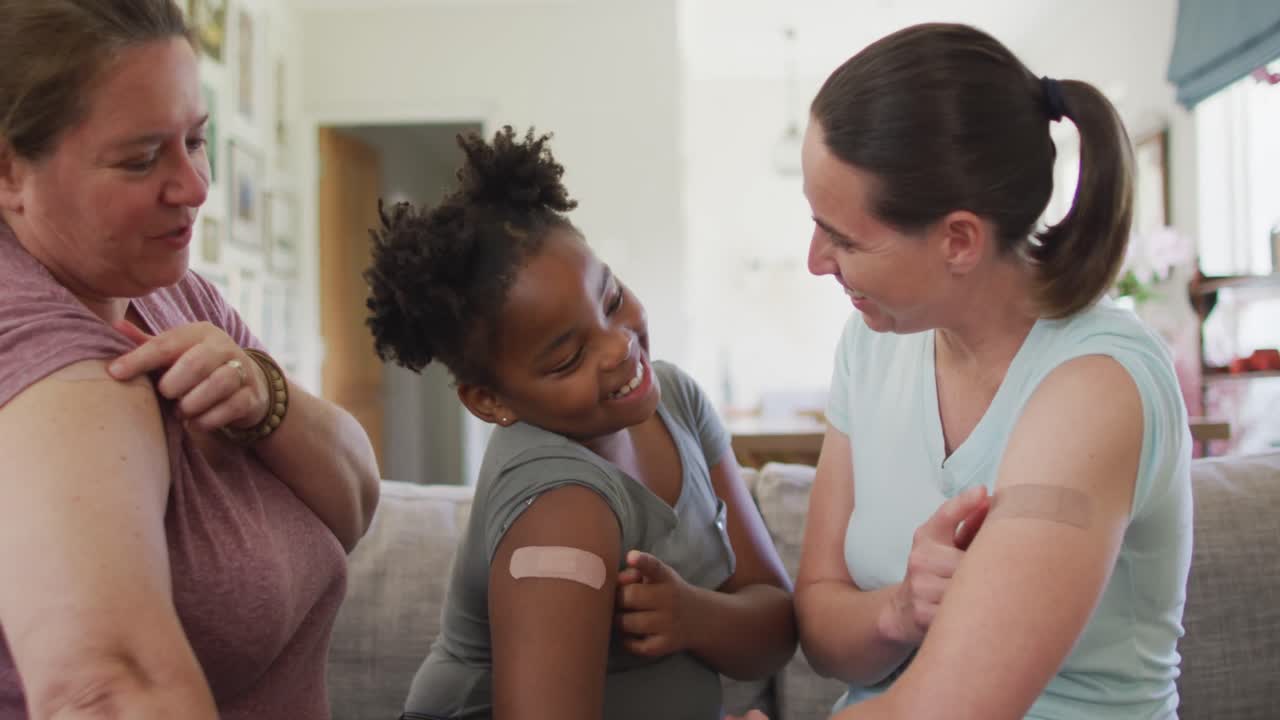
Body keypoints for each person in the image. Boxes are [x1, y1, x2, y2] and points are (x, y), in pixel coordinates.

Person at [792, 23, 1192, 719]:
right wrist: (899, 611)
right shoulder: (871, 346)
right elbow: (822, 626)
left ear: (959, 240)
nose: (816, 260)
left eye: (845, 238)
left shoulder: (1099, 385)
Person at [0, 2, 380, 718]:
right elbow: (104, 691)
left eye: (196, 141)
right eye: (142, 159)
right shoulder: (37, 348)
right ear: (10, 172)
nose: (196, 188)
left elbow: (356, 500)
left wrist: (267, 397)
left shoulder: (171, 290)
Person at [366, 127, 795, 720]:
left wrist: (693, 615)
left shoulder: (678, 400)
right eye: (567, 358)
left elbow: (775, 624)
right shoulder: (559, 498)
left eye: (612, 298)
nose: (619, 347)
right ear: (491, 402)